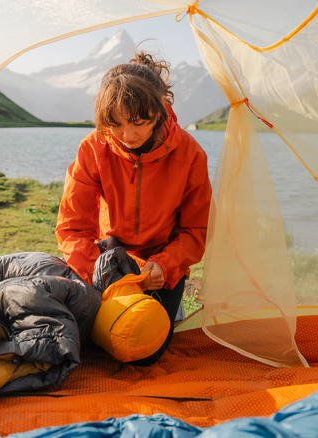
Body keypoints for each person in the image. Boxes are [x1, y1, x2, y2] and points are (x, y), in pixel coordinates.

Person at [55, 49, 213, 365]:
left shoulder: (191, 155)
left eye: (139, 123)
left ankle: (169, 302)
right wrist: (97, 272)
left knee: (144, 352)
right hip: (108, 255)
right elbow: (72, 227)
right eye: (116, 124)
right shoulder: (94, 147)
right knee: (82, 340)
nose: (128, 136)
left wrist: (166, 265)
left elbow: (196, 231)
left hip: (160, 261)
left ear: (160, 110)